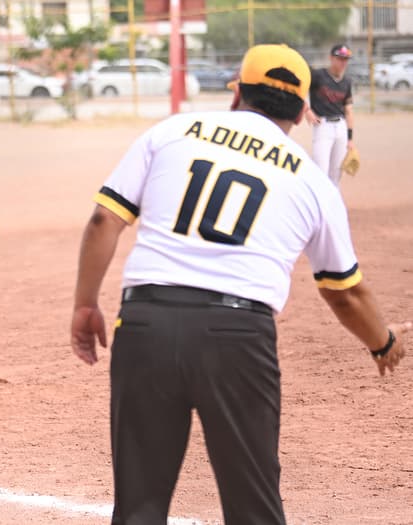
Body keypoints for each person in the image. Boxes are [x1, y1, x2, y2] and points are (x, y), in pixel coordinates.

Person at [70, 44, 408, 524]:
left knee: (139, 506)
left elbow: (105, 219)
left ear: (237, 94)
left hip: (146, 323)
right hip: (239, 336)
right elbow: (343, 291)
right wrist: (382, 342)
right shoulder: (313, 181)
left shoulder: (173, 131)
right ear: (301, 109)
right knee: (254, 508)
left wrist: (85, 305)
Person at [305, 43, 356, 186]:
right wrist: (307, 110)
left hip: (341, 128)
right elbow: (300, 88)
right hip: (323, 127)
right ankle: (318, 207)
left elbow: (349, 110)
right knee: (320, 171)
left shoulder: (347, 82)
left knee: (336, 174)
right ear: (331, 58)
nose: (343, 62)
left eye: (346, 59)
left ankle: (332, 206)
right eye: (340, 58)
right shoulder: (318, 76)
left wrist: (350, 139)